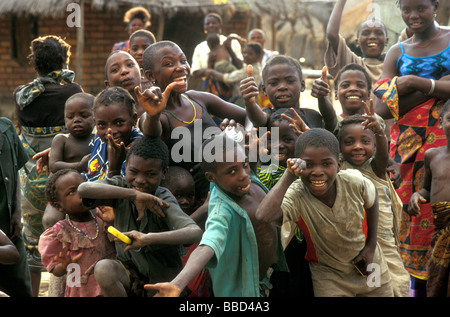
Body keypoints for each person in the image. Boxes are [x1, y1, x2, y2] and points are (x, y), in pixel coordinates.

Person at [256, 128, 394, 297]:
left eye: (326, 163)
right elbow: (263, 215)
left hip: (370, 265)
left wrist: (371, 246)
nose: (317, 171)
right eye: (308, 164)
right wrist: (289, 175)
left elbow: (372, 202)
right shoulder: (297, 194)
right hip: (329, 275)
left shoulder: (354, 181)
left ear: (339, 165)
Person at [145, 133, 287, 297]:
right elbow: (208, 244)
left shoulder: (244, 181)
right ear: (211, 178)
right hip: (242, 290)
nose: (243, 174)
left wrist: (252, 157)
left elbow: (247, 170)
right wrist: (178, 283)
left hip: (266, 278)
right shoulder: (223, 210)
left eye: (244, 164)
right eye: (233, 171)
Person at [373, 0, 450, 296]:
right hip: (406, 147)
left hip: (445, 139)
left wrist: (413, 83)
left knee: (441, 202)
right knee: (409, 208)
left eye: (421, 8)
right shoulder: (397, 52)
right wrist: (434, 86)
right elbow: (382, 106)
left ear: (435, 6)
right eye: (407, 9)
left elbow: (395, 99)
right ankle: (414, 285)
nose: (414, 15)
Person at [77, 135, 203, 297]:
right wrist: (132, 195)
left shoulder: (163, 198)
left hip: (163, 280)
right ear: (126, 167)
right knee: (104, 269)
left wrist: (149, 238)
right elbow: (84, 189)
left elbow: (194, 231)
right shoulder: (120, 187)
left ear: (163, 173)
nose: (140, 180)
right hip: (130, 274)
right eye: (133, 172)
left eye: (150, 174)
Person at [136, 40, 251, 202]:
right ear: (149, 75)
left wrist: (245, 135)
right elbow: (150, 130)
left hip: (232, 189)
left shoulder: (198, 99)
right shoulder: (157, 116)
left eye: (183, 61)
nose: (181, 67)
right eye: (169, 63)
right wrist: (153, 114)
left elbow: (250, 116)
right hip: (196, 202)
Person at [14, 34, 83, 296]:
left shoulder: (21, 94)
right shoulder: (73, 91)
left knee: (33, 238)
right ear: (63, 60)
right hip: (63, 176)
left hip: (31, 176)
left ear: (36, 64)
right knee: (66, 235)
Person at [338, 108, 410, 297]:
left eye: (365, 141)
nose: (357, 146)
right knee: (362, 281)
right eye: (349, 142)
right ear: (339, 146)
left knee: (392, 281)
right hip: (351, 238)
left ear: (375, 146)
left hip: (380, 238)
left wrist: (378, 130)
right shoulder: (338, 167)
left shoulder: (376, 167)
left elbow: (383, 152)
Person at [38, 169, 116, 297]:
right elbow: (56, 271)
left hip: (109, 286)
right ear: (59, 206)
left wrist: (112, 222)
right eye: (72, 192)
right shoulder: (60, 233)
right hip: (81, 291)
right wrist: (63, 266)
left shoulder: (103, 215)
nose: (81, 193)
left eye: (82, 187)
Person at [407, 99, 450, 297]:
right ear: (441, 121)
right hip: (441, 232)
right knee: (439, 282)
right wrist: (416, 195)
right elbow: (426, 189)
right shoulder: (432, 156)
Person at [160, 166, 214, 297]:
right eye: (178, 196)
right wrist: (203, 210)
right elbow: (180, 231)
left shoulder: (199, 207)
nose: (185, 201)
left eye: (190, 195)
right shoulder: (160, 214)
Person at [240, 55, 324, 129]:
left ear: (302, 85)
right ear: (264, 90)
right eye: (274, 83)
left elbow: (331, 119)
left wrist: (322, 98)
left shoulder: (312, 116)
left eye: (290, 81)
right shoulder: (268, 115)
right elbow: (259, 120)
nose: (282, 87)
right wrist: (249, 103)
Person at [0, 117, 33, 297]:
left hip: (8, 223)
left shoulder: (6, 128)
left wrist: (17, 211)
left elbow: (14, 172)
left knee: (19, 284)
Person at [83, 86, 142, 183]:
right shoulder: (98, 140)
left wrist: (114, 167)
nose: (110, 131)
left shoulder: (139, 148)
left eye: (119, 123)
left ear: (134, 119)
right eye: (102, 124)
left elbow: (121, 190)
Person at [191, 12, 244, 100]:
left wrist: (229, 50)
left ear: (220, 25)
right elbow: (195, 73)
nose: (211, 25)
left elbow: (240, 66)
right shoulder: (200, 47)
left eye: (214, 23)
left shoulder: (231, 43)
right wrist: (209, 67)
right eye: (208, 23)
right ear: (205, 27)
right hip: (210, 88)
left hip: (232, 85)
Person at [204, 42, 263, 107]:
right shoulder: (255, 67)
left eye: (250, 54)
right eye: (244, 53)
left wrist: (212, 72)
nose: (246, 55)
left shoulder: (251, 69)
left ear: (258, 56)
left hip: (243, 101)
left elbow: (227, 78)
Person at [104, 50, 146, 118]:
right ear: (108, 85)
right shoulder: (105, 116)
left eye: (130, 65)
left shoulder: (156, 104)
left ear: (141, 73)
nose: (124, 71)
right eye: (115, 69)